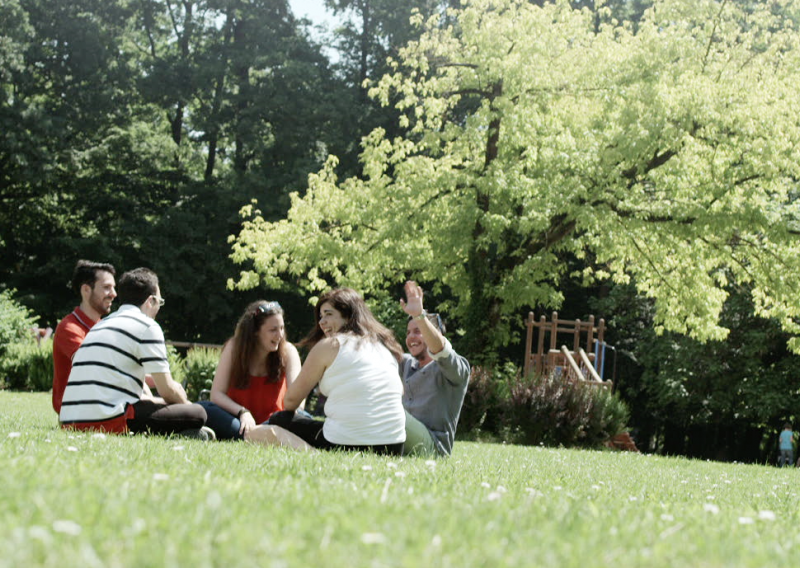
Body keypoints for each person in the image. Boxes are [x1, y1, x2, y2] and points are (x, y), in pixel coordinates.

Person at [59, 267, 210, 438]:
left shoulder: (101, 325)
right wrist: (185, 405)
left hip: (70, 420)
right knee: (199, 413)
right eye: (159, 302)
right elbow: (167, 389)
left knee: (157, 408)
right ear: (150, 301)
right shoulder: (146, 326)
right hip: (107, 420)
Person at [264, 288, 406, 455]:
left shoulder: (330, 345)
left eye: (328, 314)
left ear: (348, 315)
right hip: (394, 447)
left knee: (279, 420)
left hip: (345, 443)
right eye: (321, 316)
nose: (322, 322)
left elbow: (290, 402)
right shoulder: (384, 347)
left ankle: (312, 454)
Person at [197, 301, 302, 440]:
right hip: (239, 421)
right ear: (255, 332)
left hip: (275, 423)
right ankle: (258, 436)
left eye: (282, 328)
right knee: (204, 408)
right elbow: (216, 395)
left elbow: (298, 400)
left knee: (303, 418)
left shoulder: (288, 351)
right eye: (273, 330)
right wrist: (243, 412)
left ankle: (256, 436)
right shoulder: (234, 348)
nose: (280, 335)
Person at [398, 281, 470, 457]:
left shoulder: (455, 368)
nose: (411, 338)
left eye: (417, 331)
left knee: (387, 410)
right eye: (408, 332)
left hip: (433, 449)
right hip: (402, 441)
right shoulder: (406, 364)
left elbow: (443, 351)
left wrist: (420, 316)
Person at [51, 260, 117, 414]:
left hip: (107, 404)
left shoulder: (106, 328)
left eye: (113, 288)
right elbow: (93, 369)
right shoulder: (69, 328)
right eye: (107, 287)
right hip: (81, 411)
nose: (114, 294)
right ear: (86, 290)